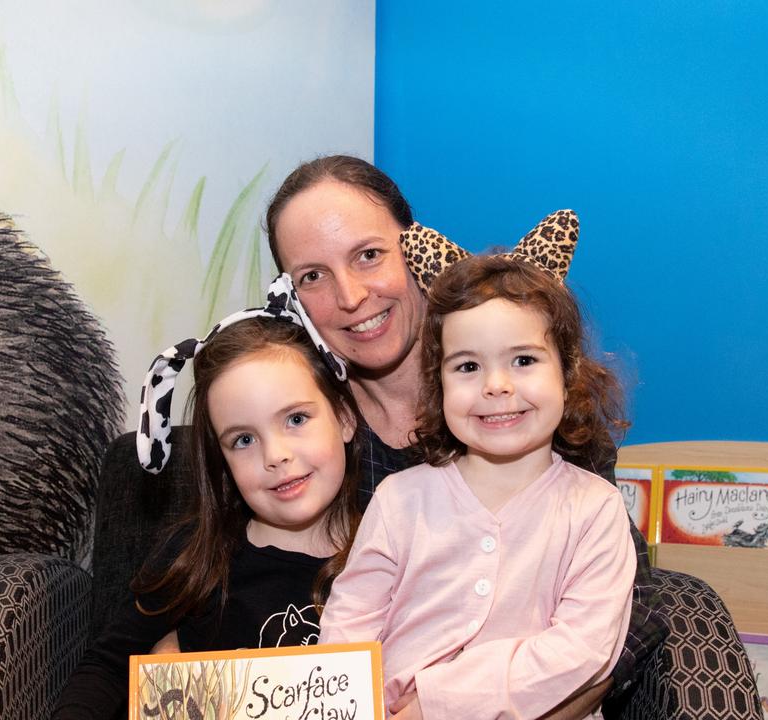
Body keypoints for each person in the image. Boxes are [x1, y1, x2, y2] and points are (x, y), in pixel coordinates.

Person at [264, 156, 665, 711]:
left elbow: (607, 629)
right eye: (313, 275)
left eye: (369, 255)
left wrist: (444, 704)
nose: (351, 295)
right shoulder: (314, 442)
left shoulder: (582, 493)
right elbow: (348, 614)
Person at [319, 255, 636, 719]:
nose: (496, 385)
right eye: (467, 367)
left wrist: (435, 702)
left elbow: (584, 648)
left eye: (524, 360)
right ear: (438, 382)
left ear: (567, 375)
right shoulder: (399, 499)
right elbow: (348, 624)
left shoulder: (594, 508)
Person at [52, 277, 363, 719]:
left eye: (296, 418)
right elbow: (106, 666)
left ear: (345, 418)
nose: (276, 456)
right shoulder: (195, 557)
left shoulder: (392, 548)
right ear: (221, 457)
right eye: (242, 440)